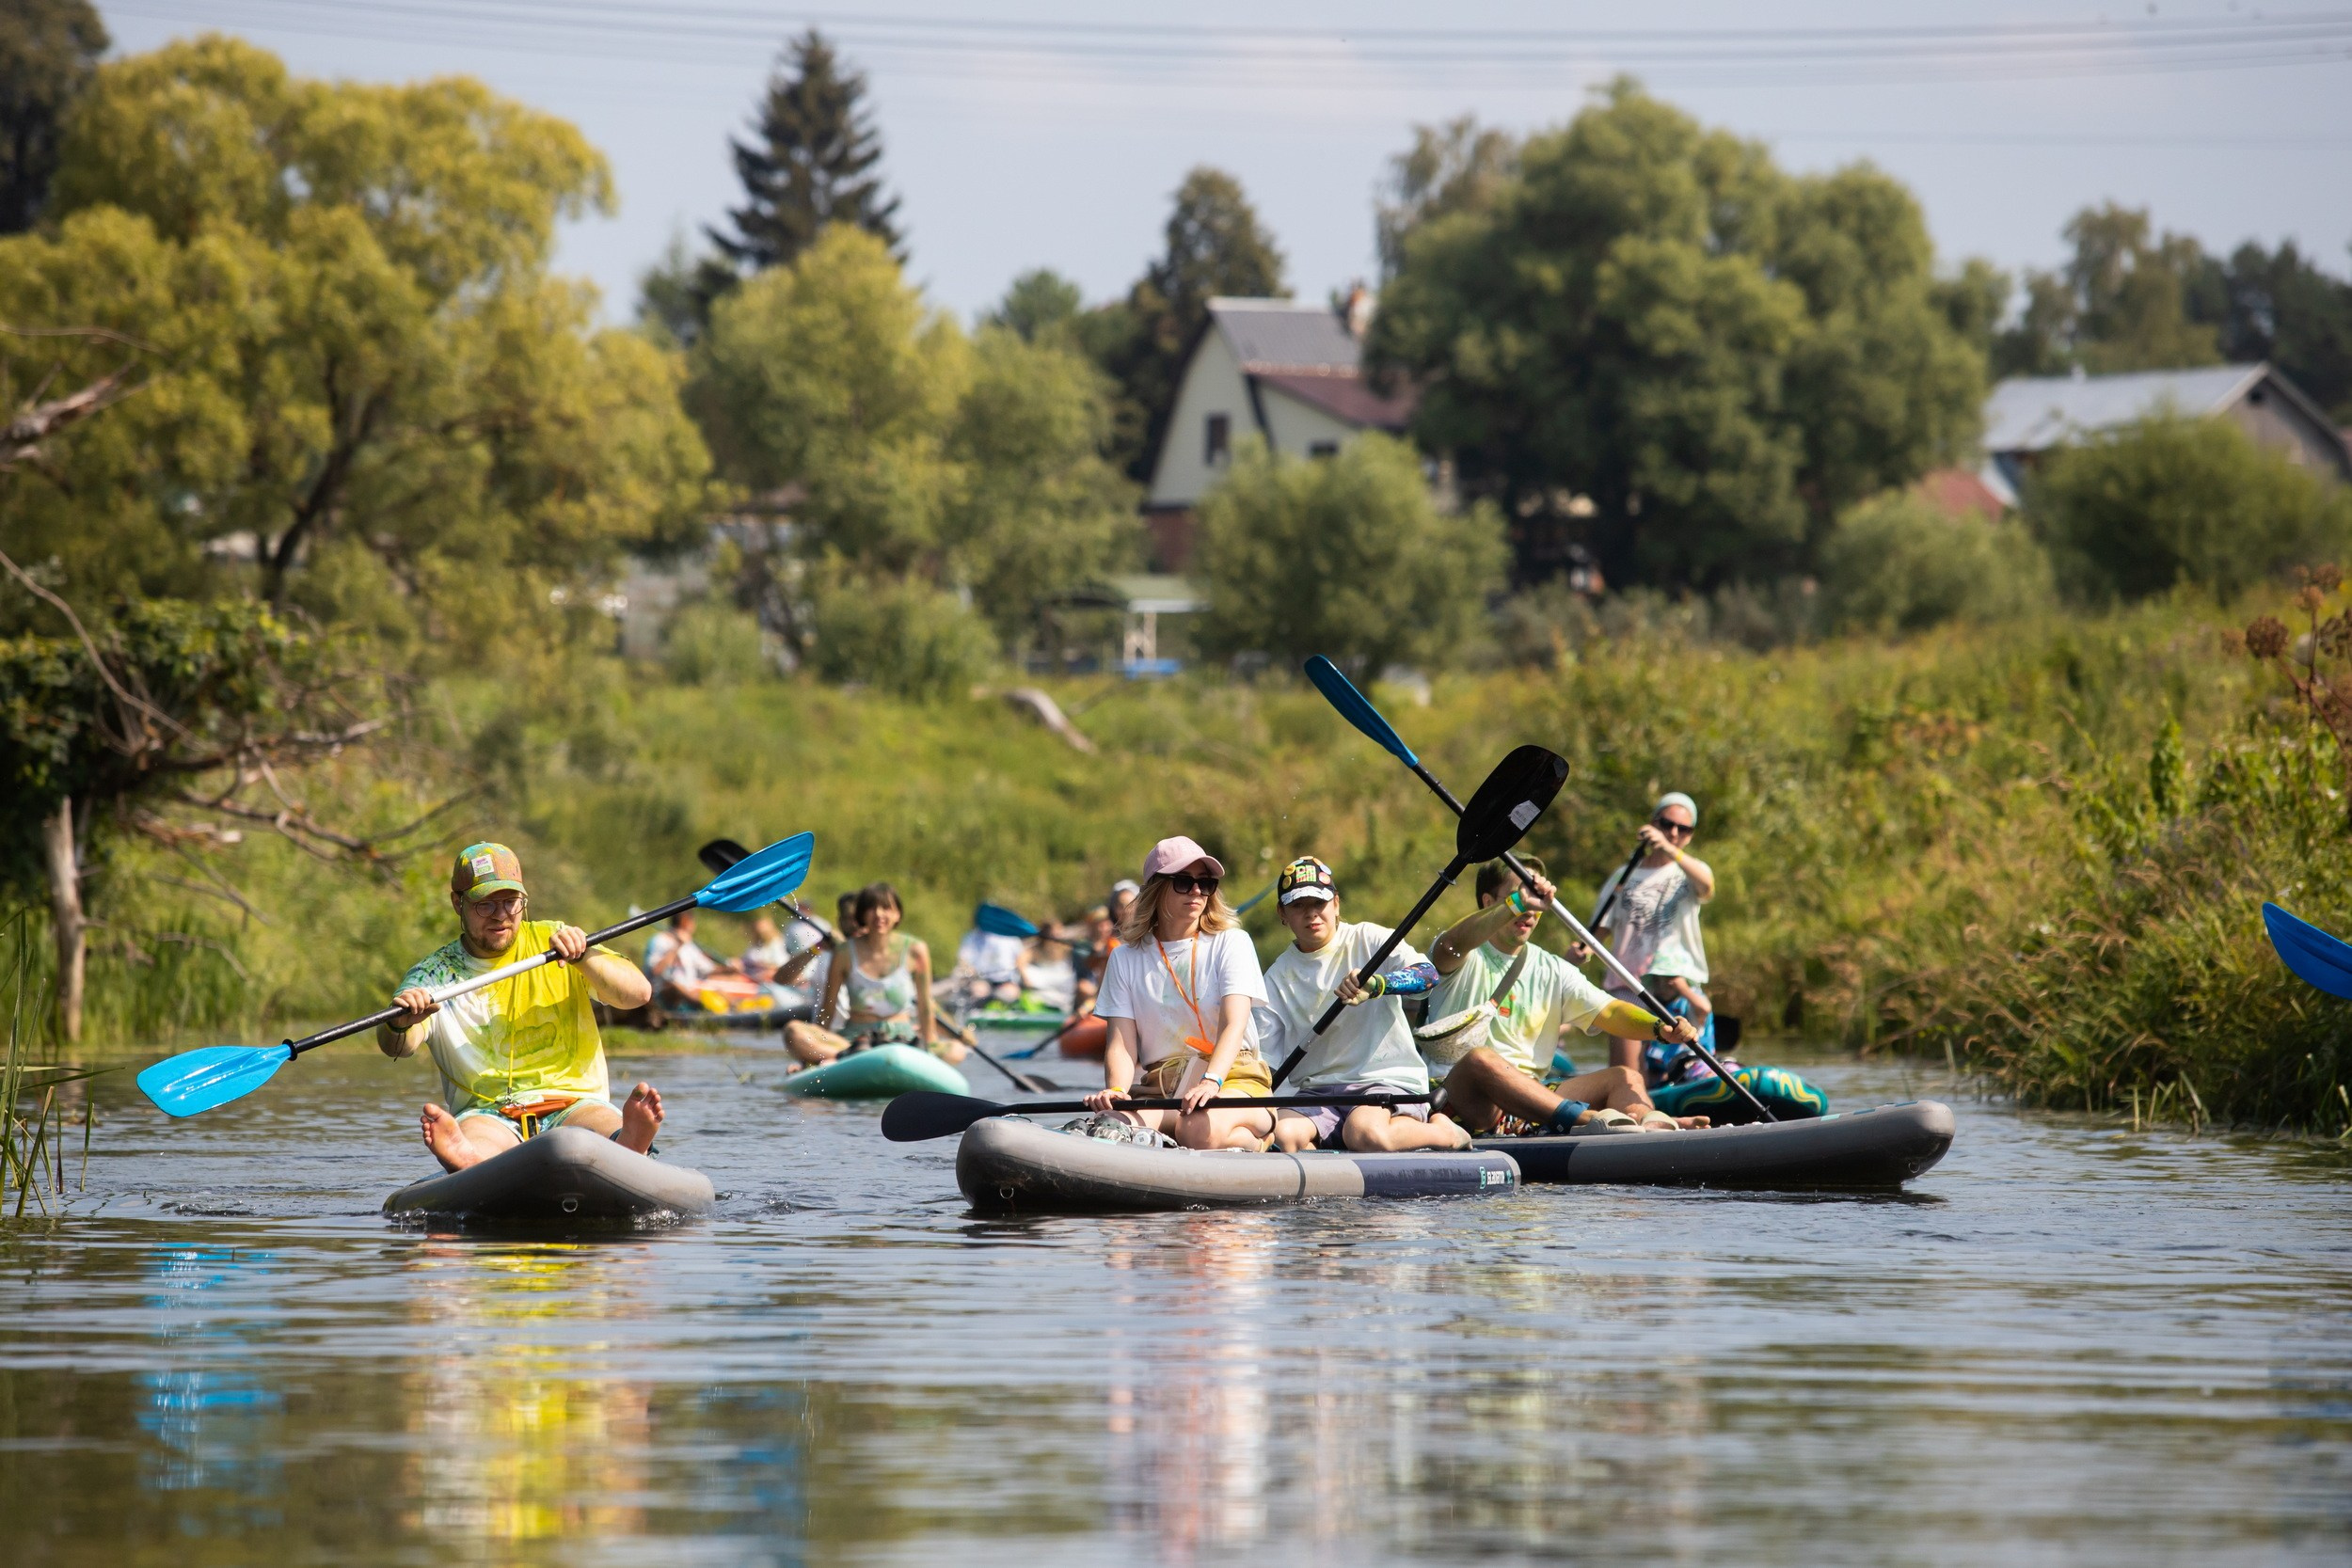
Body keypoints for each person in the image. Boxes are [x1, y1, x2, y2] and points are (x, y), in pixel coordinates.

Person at [378, 842, 661, 1173]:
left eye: (510, 903)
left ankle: (628, 1143)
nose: (500, 915)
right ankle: (467, 1158)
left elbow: (639, 994)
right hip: (490, 1111)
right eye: (485, 905)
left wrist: (585, 957)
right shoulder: (433, 976)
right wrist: (401, 1023)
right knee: (481, 1136)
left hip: (575, 1101)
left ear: (523, 902)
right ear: (458, 903)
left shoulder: (557, 939)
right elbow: (398, 1047)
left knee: (597, 1122)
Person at [1424, 857, 1708, 1134]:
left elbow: (1609, 1011)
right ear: (1488, 902)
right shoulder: (1463, 953)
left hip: (1530, 1100)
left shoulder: (1553, 968)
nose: (1529, 909)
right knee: (1481, 1059)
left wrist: (1659, 1029)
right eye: (1519, 896)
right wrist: (1517, 904)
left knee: (1625, 1076)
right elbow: (1451, 945)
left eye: (1534, 898)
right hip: (1463, 1099)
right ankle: (1584, 1119)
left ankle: (1648, 1125)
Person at [1260, 856, 1471, 1153]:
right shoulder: (1276, 978)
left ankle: (1442, 1131)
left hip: (1384, 1081)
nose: (1311, 915)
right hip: (1318, 1093)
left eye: (1319, 903)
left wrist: (1377, 985)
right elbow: (1265, 1063)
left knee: (1364, 1134)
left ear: (1335, 904)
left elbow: (1428, 976)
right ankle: (1325, 1147)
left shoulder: (1370, 939)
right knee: (1281, 1135)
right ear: (1282, 913)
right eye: (1298, 906)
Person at [1083, 837, 1276, 1151]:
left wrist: (1211, 1081)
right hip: (1160, 1087)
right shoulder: (1123, 958)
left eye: (1206, 883)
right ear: (1156, 890)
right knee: (1109, 1128)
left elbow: (1234, 1024)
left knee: (1196, 1128)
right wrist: (1117, 1090)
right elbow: (1121, 1044)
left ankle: (1259, 1140)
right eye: (1184, 882)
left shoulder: (1232, 942)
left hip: (1234, 1080)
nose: (1198, 891)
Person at [1580, 791, 1715, 1074]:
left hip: (1674, 984)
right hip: (1627, 983)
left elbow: (1707, 887)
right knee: (1627, 1073)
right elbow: (1599, 931)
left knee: (1674, 1065)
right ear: (1654, 823)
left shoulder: (1689, 872)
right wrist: (1582, 951)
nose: (1674, 832)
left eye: (1683, 829)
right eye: (1666, 824)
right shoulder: (1623, 875)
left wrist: (1669, 849)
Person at [784, 881, 963, 1067]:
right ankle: (850, 1056)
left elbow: (926, 1005)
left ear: (897, 914)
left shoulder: (916, 950)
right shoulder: (844, 953)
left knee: (956, 1049)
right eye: (872, 909)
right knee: (793, 1031)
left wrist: (932, 1044)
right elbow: (826, 1012)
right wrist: (810, 1057)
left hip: (903, 1036)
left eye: (886, 908)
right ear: (861, 915)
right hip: (855, 1039)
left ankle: (860, 1057)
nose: (879, 914)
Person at [642, 909, 732, 1004]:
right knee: (675, 985)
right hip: (665, 994)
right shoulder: (659, 941)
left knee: (716, 989)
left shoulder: (690, 946)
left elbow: (709, 969)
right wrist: (677, 946)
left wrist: (729, 968)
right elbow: (656, 970)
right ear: (685, 922)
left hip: (688, 994)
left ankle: (732, 1009)